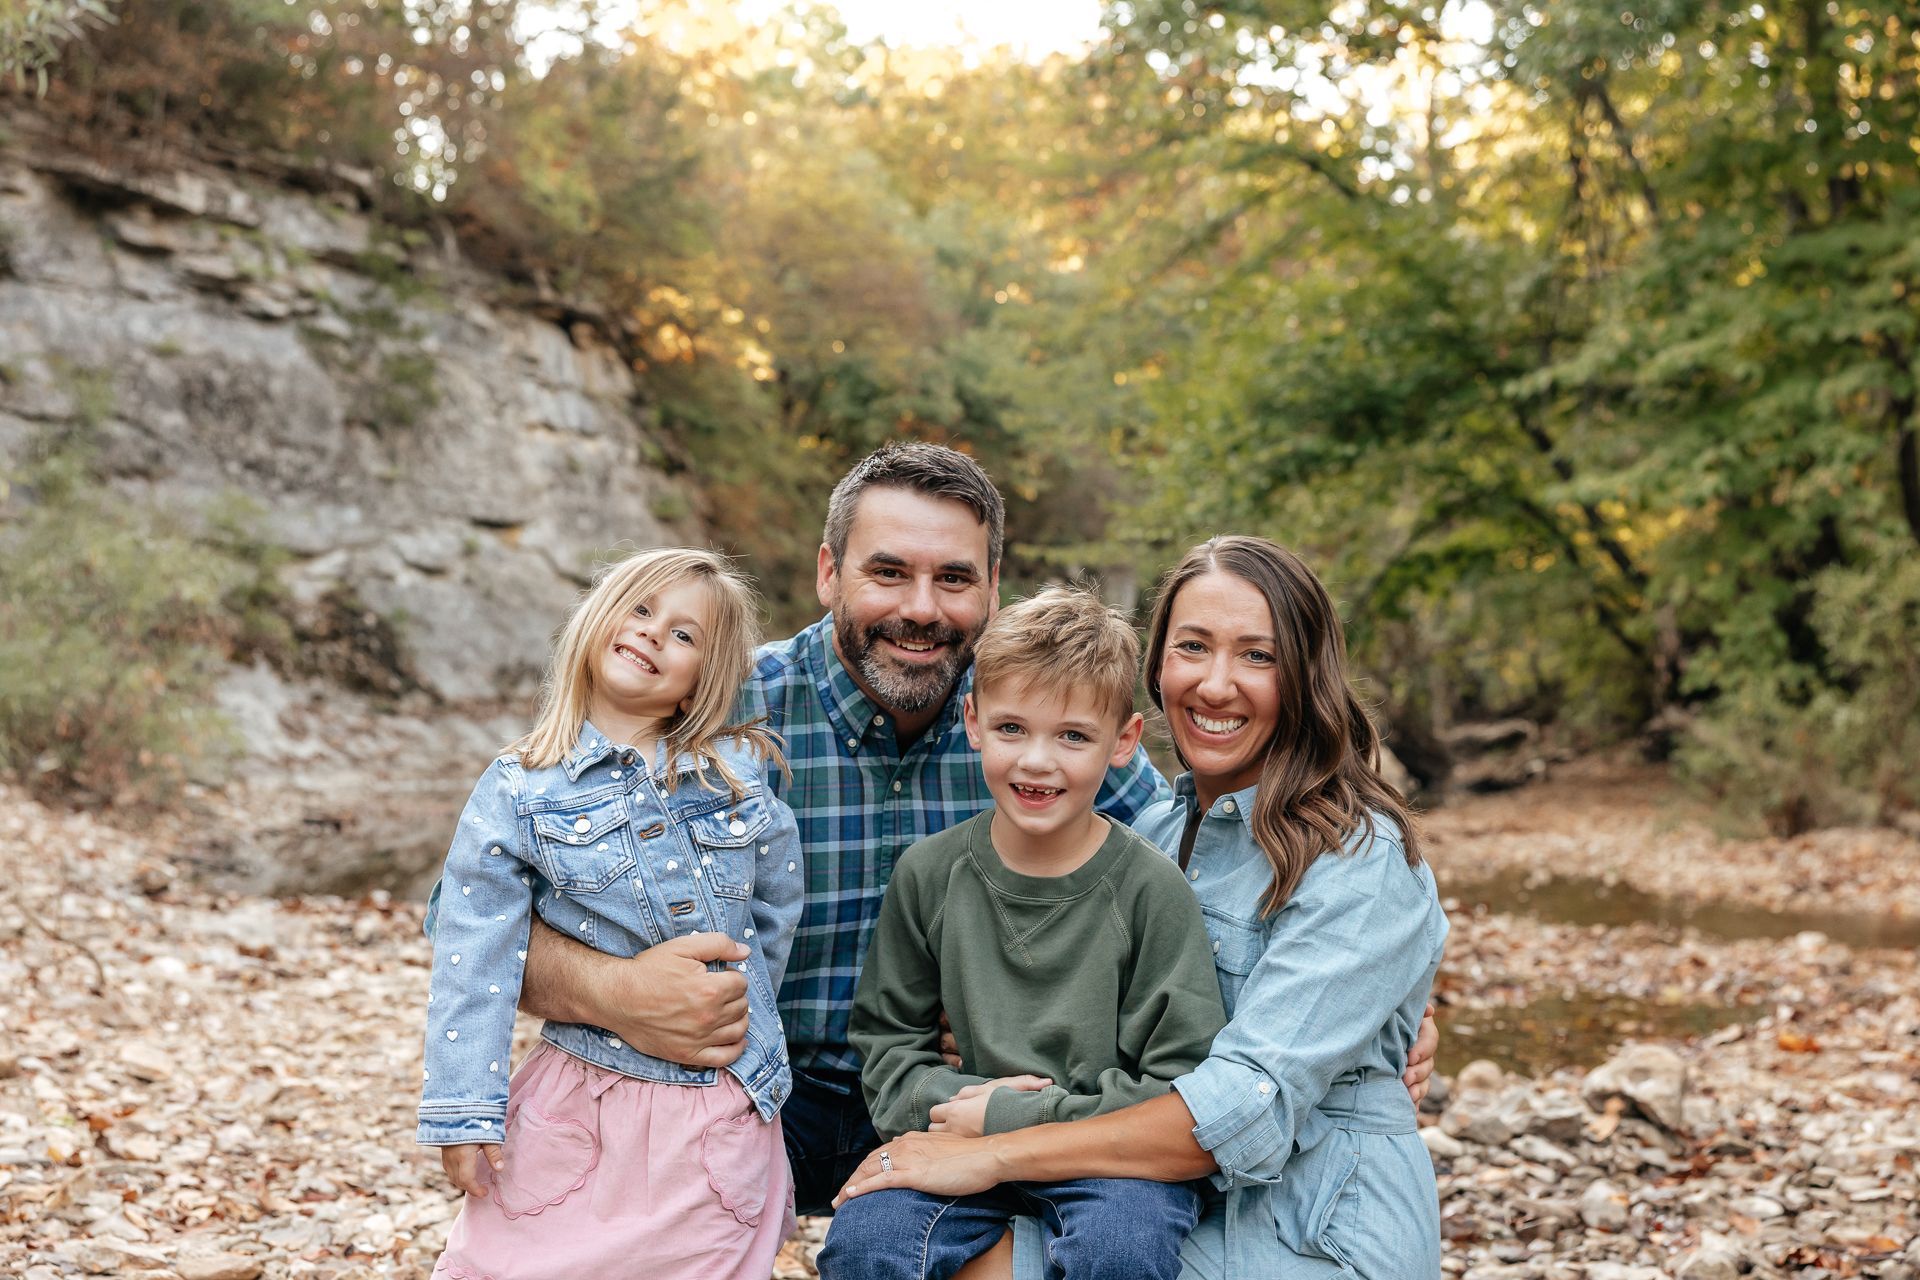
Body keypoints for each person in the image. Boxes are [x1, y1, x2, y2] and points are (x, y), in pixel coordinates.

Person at [836, 535, 1450, 1280]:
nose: (1216, 684)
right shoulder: (1158, 825)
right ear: (1157, 667)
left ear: (1306, 677)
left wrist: (992, 1141)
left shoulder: (1359, 858)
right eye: (1193, 646)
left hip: (1307, 1229)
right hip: (1147, 1189)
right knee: (890, 1242)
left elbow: (1239, 1106)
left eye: (1258, 656)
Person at [817, 588, 1229, 1280]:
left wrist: (1013, 1117)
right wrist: (954, 1107)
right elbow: (887, 1042)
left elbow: (1179, 1084)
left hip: (1106, 1156)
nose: (1037, 762)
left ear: (1124, 742)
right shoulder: (931, 874)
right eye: (1012, 729)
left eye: (1072, 736)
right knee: (866, 1243)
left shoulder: (1151, 890)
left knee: (1120, 1253)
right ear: (973, 722)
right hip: (955, 1134)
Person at [415, 548, 804, 1279]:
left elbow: (776, 908)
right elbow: (475, 954)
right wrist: (465, 1111)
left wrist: (738, 1016)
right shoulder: (518, 790)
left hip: (713, 1107)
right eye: (642, 609)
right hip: (577, 1097)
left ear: (699, 684)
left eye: (685, 636)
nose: (655, 634)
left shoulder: (736, 780)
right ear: (599, 619)